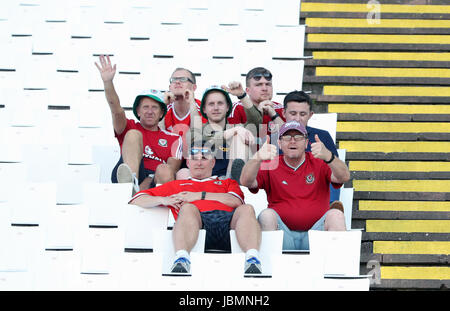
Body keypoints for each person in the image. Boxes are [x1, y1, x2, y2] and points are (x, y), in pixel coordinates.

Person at [129, 142, 262, 274]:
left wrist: (199, 195)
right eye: (194, 159)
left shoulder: (227, 182)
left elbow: (236, 202)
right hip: (195, 224)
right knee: (187, 208)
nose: (199, 163)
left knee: (247, 208)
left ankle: (252, 258)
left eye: (204, 158)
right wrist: (163, 199)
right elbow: (135, 200)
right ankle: (182, 258)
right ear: (188, 163)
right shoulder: (176, 185)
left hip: (228, 224)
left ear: (213, 163)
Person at [240, 120, 350, 251]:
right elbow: (246, 181)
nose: (292, 141)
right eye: (287, 137)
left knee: (336, 215)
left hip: (316, 233)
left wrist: (329, 156)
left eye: (298, 137)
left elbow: (344, 177)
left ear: (306, 143)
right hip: (283, 234)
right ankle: (268, 268)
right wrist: (257, 157)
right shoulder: (271, 164)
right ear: (279, 143)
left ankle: (336, 269)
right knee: (266, 215)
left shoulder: (319, 162)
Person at [95, 55, 182, 194]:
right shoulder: (129, 126)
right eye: (145, 107)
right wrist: (108, 83)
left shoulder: (175, 139)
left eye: (154, 108)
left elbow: (172, 169)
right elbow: (116, 109)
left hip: (155, 180)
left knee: (165, 169)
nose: (149, 111)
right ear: (138, 111)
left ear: (161, 114)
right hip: (128, 173)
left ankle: (140, 193)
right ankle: (130, 185)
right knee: (134, 134)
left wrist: (147, 182)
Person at [177, 86, 258, 182]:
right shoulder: (197, 130)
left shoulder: (238, 128)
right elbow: (203, 140)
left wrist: (242, 96)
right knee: (182, 172)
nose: (216, 108)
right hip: (203, 180)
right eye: (211, 104)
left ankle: (233, 182)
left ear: (227, 107)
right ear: (204, 109)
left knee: (240, 136)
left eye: (220, 103)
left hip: (229, 179)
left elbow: (256, 122)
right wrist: (231, 132)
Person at [282, 90, 342, 205]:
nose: (298, 118)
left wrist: (327, 156)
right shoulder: (273, 138)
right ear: (284, 113)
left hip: (316, 191)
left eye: (303, 114)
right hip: (285, 190)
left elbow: (337, 171)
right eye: (293, 113)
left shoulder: (322, 136)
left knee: (332, 170)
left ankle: (332, 206)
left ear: (310, 115)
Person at [238, 67, 285, 142]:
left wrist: (274, 114)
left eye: (268, 84)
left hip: (275, 153)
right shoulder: (237, 108)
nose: (265, 88)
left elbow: (291, 138)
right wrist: (258, 114)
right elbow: (237, 141)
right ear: (248, 90)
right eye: (259, 85)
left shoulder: (281, 109)